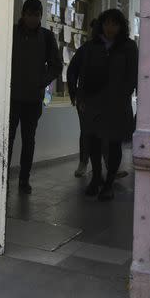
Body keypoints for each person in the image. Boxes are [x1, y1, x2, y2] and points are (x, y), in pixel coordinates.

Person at [73, 9, 138, 201]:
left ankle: (109, 183)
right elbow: (83, 72)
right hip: (94, 101)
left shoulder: (128, 47)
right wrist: (81, 97)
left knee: (114, 142)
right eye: (106, 23)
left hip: (117, 103)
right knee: (93, 140)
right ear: (101, 24)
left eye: (114, 24)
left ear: (121, 26)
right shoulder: (92, 46)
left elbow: (132, 75)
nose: (110, 28)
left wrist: (122, 96)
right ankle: (96, 178)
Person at [9, 0, 62, 194]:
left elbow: (57, 65)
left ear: (41, 16)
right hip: (11, 98)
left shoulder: (47, 37)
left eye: (37, 15)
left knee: (29, 141)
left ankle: (24, 180)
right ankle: (3, 179)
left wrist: (42, 80)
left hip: (33, 99)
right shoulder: (11, 32)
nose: (32, 18)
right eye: (29, 14)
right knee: (8, 140)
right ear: (23, 14)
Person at [67, 19, 96, 178]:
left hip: (102, 99)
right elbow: (71, 72)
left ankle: (103, 165)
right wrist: (75, 95)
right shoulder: (85, 50)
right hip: (85, 98)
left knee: (101, 133)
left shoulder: (110, 50)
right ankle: (84, 163)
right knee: (86, 132)